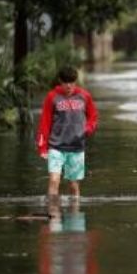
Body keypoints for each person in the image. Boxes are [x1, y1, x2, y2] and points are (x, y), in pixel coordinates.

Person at [36, 66, 98, 206]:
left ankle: (75, 218)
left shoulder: (84, 96)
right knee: (54, 180)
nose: (69, 86)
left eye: (72, 82)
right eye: (65, 82)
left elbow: (93, 116)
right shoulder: (52, 97)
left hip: (76, 147)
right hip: (56, 146)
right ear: (60, 81)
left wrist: (88, 128)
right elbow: (44, 123)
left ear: (75, 81)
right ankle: (53, 217)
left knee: (73, 185)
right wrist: (42, 147)